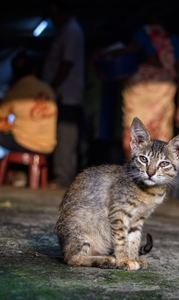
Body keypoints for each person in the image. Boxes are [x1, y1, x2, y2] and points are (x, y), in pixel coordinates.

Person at [101, 12, 179, 160]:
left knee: (158, 136)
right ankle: (133, 175)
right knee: (135, 133)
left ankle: (155, 176)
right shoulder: (144, 34)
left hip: (162, 95)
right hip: (140, 95)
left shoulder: (173, 41)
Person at [42, 1, 84, 188]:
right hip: (60, 94)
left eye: (54, 14)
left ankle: (63, 177)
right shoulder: (64, 31)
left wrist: (52, 87)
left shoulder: (72, 32)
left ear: (64, 12)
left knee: (66, 136)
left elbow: (66, 64)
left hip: (67, 94)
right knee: (58, 135)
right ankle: (59, 174)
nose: (52, 19)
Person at [0, 51, 57, 156]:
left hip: (25, 144)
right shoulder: (47, 88)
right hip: (48, 147)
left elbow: (1, 119)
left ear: (13, 73)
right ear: (33, 71)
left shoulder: (15, 91)